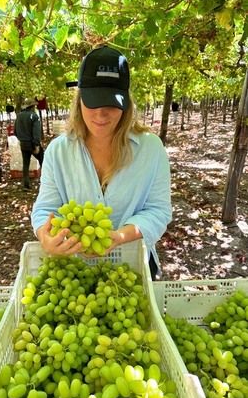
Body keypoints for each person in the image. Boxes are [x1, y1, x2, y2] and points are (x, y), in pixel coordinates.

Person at [30, 46, 172, 280]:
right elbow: (46, 209)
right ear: (79, 100)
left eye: (111, 104)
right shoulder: (58, 151)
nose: (101, 114)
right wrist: (44, 236)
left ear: (127, 102)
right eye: (93, 102)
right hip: (77, 273)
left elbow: (159, 211)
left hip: (131, 270)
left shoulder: (151, 148)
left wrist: (121, 236)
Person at [14, 97, 44, 190]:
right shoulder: (34, 116)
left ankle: (26, 185)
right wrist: (37, 144)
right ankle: (45, 181)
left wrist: (22, 139)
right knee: (43, 160)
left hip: (23, 144)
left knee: (26, 164)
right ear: (32, 106)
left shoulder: (19, 116)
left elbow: (15, 131)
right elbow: (36, 131)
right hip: (32, 144)